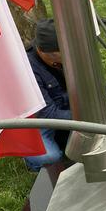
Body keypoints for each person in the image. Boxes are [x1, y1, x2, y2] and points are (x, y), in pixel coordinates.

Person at [25, 19, 70, 171]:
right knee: (51, 158)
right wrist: (87, 117)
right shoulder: (28, 70)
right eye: (62, 51)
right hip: (39, 121)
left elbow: (91, 81)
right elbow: (47, 115)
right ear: (44, 52)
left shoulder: (68, 55)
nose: (69, 52)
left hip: (68, 108)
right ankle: (28, 153)